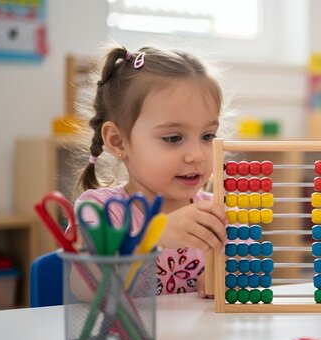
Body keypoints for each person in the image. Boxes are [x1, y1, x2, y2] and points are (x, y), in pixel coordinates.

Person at [72, 46, 228, 298]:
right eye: (173, 137)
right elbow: (86, 286)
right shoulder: (101, 209)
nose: (197, 155)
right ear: (118, 142)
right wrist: (155, 236)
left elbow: (249, 270)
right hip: (128, 337)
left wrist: (226, 276)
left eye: (207, 136)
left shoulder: (218, 214)